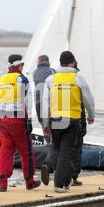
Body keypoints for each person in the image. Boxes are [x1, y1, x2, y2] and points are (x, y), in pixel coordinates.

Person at [42, 51, 95, 193]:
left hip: (55, 120)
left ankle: (65, 183)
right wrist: (91, 115)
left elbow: (45, 103)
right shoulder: (78, 78)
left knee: (59, 151)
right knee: (66, 153)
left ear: (60, 62)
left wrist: (45, 124)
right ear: (72, 63)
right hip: (71, 120)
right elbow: (88, 100)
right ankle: (59, 185)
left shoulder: (50, 79)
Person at [0, 54, 41, 192]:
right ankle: (30, 181)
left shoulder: (0, 79)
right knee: (26, 152)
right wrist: (29, 121)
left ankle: (2, 184)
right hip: (18, 120)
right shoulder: (22, 79)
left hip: (3, 120)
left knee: (4, 152)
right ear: (19, 65)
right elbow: (27, 101)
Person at [32, 55, 57, 186]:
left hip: (37, 100)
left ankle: (48, 141)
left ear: (39, 62)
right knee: (52, 122)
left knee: (43, 122)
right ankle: (52, 141)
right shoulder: (53, 71)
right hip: (49, 100)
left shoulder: (35, 72)